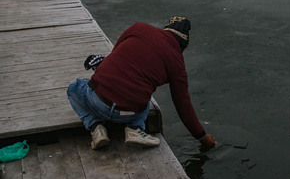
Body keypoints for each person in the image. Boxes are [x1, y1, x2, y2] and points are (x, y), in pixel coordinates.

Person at [67, 16, 216, 150]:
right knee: (145, 98)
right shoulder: (178, 65)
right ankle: (134, 129)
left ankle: (95, 127)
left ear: (166, 30)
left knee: (75, 87)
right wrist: (202, 137)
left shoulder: (138, 28)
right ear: (182, 46)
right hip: (127, 113)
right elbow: (183, 106)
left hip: (97, 102)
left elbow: (115, 54)